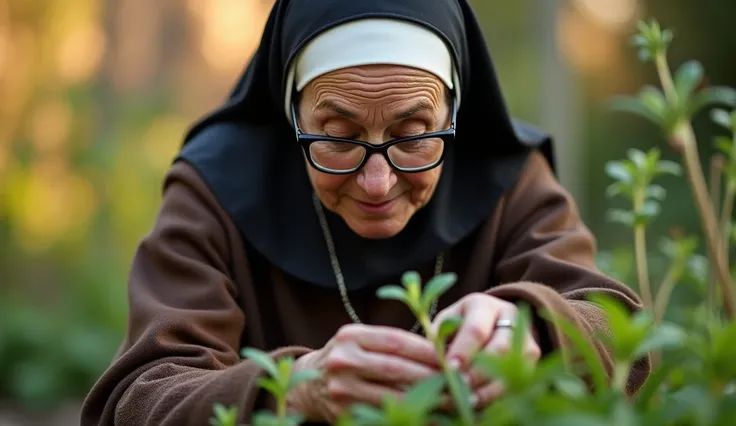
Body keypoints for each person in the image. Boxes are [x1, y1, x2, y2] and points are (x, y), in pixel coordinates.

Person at [80, 0, 651, 424]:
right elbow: (136, 397)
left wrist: (533, 327)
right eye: (337, 136)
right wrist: (291, 388)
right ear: (292, 113)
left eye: (413, 134)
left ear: (454, 106)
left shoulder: (507, 177)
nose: (377, 181)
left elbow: (623, 334)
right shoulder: (215, 191)